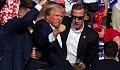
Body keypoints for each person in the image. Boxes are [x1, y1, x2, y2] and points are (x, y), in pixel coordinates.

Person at [0, 0, 47, 70]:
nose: (32, 16)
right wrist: (39, 4)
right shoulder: (12, 24)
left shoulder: (30, 26)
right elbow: (25, 20)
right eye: (30, 13)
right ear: (20, 12)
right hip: (11, 65)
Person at [26, 2, 67, 70]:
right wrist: (55, 33)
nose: (59, 19)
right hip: (42, 66)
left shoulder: (60, 29)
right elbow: (43, 41)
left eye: (61, 16)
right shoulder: (43, 25)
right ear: (48, 16)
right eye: (56, 15)